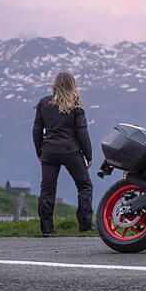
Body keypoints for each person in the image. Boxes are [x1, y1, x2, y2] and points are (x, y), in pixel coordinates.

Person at [32, 72, 93, 236]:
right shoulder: (75, 104)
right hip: (70, 150)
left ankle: (46, 228)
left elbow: (37, 129)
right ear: (72, 84)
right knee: (84, 186)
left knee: (47, 189)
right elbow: (82, 132)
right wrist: (88, 155)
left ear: (56, 84)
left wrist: (39, 151)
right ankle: (85, 224)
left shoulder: (44, 102)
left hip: (49, 151)